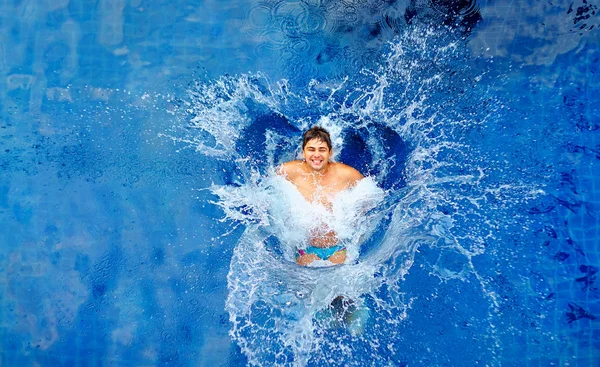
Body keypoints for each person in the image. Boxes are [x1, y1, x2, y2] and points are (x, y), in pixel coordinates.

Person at [278, 126, 364, 266]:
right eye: (311, 149)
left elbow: (370, 195)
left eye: (322, 150)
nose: (316, 155)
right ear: (303, 152)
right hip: (305, 249)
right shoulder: (289, 171)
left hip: (339, 248)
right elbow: (268, 191)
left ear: (330, 152)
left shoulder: (347, 174)